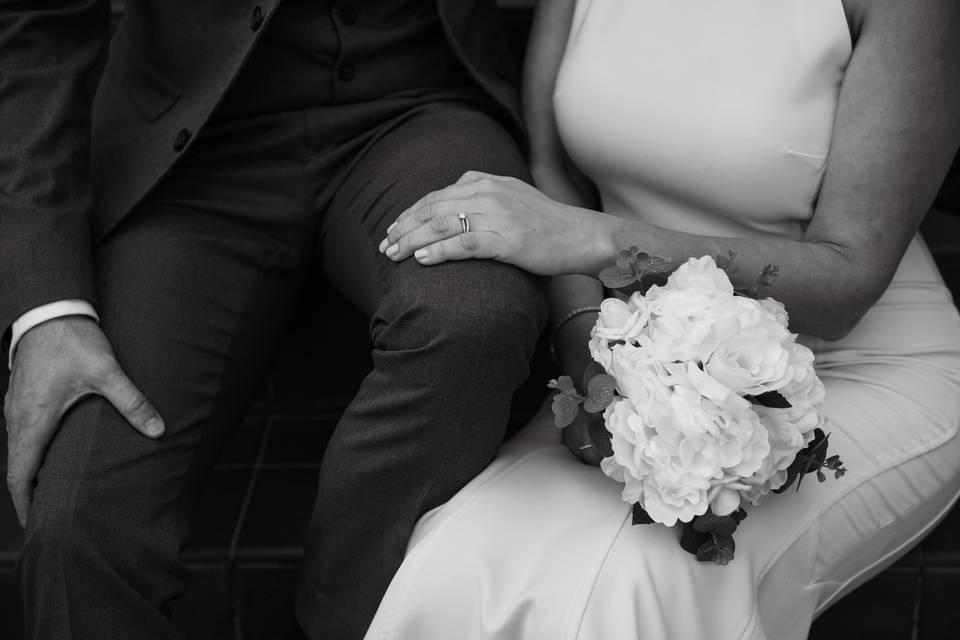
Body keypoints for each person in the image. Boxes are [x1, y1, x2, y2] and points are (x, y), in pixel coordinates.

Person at [368, 0, 960, 638]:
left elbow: (847, 279)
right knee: (468, 554)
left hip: (857, 369)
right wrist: (586, 351)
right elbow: (552, 168)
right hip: (639, 359)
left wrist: (600, 242)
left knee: (635, 581)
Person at [0, 1, 546, 638]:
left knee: (475, 312)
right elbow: (35, 30)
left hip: (422, 110)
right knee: (81, 521)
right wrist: (45, 309)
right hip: (193, 145)